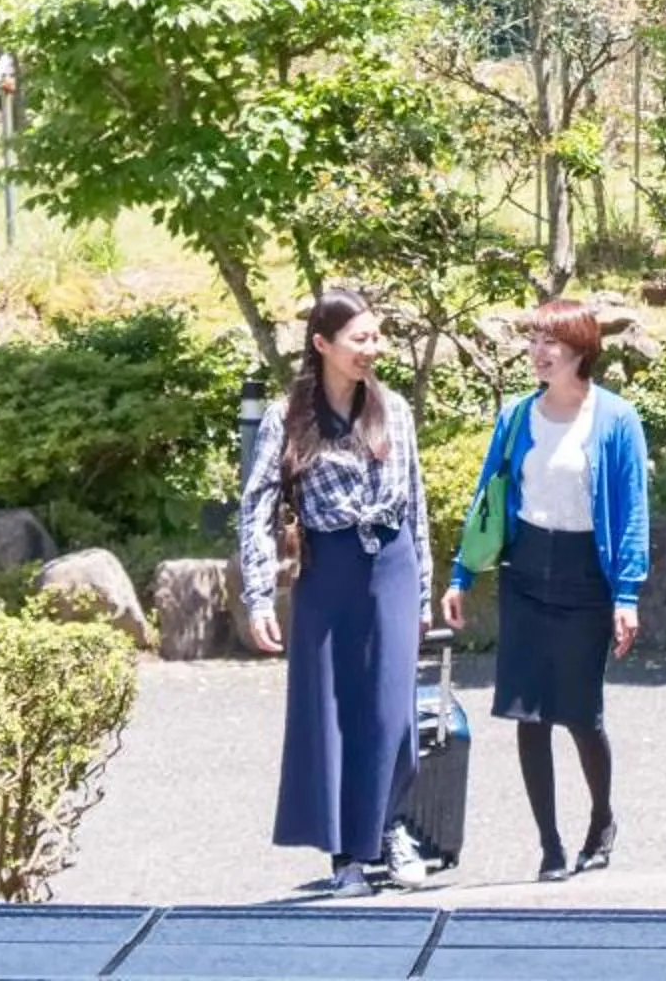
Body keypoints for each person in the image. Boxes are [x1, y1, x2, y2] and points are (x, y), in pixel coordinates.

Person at [441, 301, 651, 883]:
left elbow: (632, 513)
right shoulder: (515, 416)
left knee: (582, 714)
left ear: (581, 349)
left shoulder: (616, 419)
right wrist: (461, 575)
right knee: (528, 713)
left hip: (587, 572)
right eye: (533, 340)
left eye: (550, 342)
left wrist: (626, 594)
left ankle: (602, 819)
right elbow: (488, 497)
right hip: (526, 568)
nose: (538, 352)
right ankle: (550, 845)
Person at [238, 290, 432, 898]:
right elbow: (257, 506)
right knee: (330, 711)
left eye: (376, 338)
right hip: (328, 566)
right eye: (359, 340)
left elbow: (417, 502)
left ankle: (392, 828)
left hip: (392, 561)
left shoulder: (393, 408)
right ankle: (346, 857)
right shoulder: (287, 416)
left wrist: (423, 588)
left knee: (391, 710)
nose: (371, 350)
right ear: (322, 344)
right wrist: (258, 594)